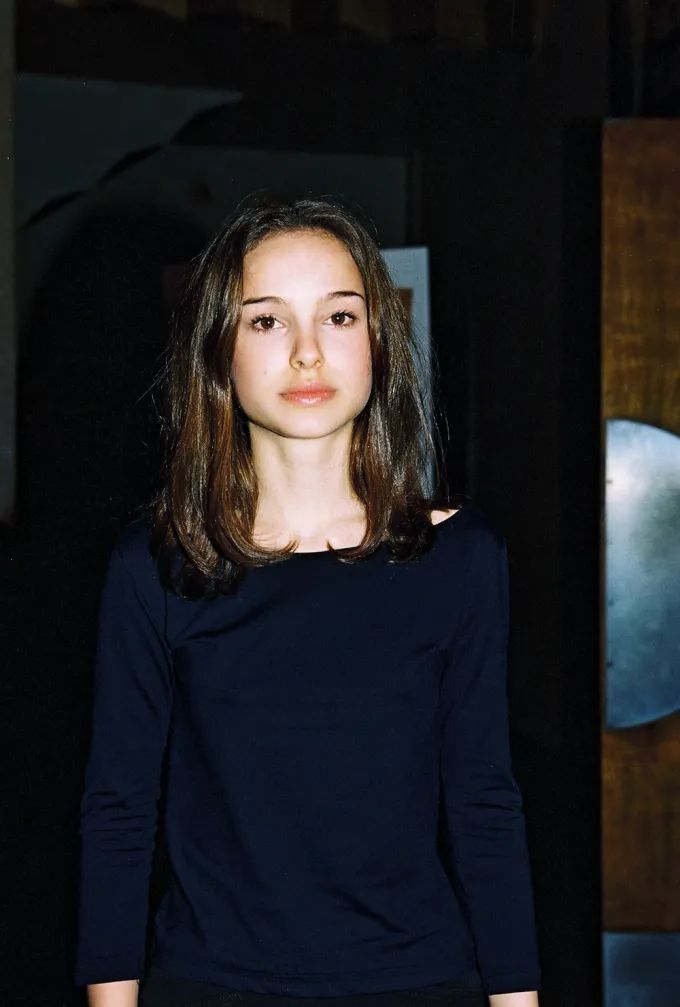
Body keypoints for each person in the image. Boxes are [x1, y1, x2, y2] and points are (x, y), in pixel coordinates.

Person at [73, 195, 542, 1007]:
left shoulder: (461, 558)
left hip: (420, 982)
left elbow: (485, 804)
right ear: (217, 351)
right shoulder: (155, 565)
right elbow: (118, 812)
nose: (306, 352)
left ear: (378, 340)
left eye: (339, 315)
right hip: (211, 984)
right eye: (266, 320)